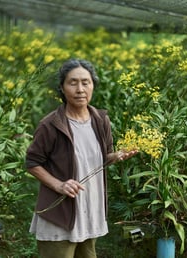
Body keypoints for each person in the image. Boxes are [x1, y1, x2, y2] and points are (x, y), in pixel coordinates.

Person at [25, 58, 138, 258]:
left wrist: (116, 156)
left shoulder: (101, 120)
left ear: (93, 85)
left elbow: (100, 158)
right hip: (60, 213)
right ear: (62, 88)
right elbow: (33, 162)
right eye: (73, 82)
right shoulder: (51, 125)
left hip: (90, 209)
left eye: (85, 82)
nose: (80, 89)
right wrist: (59, 185)